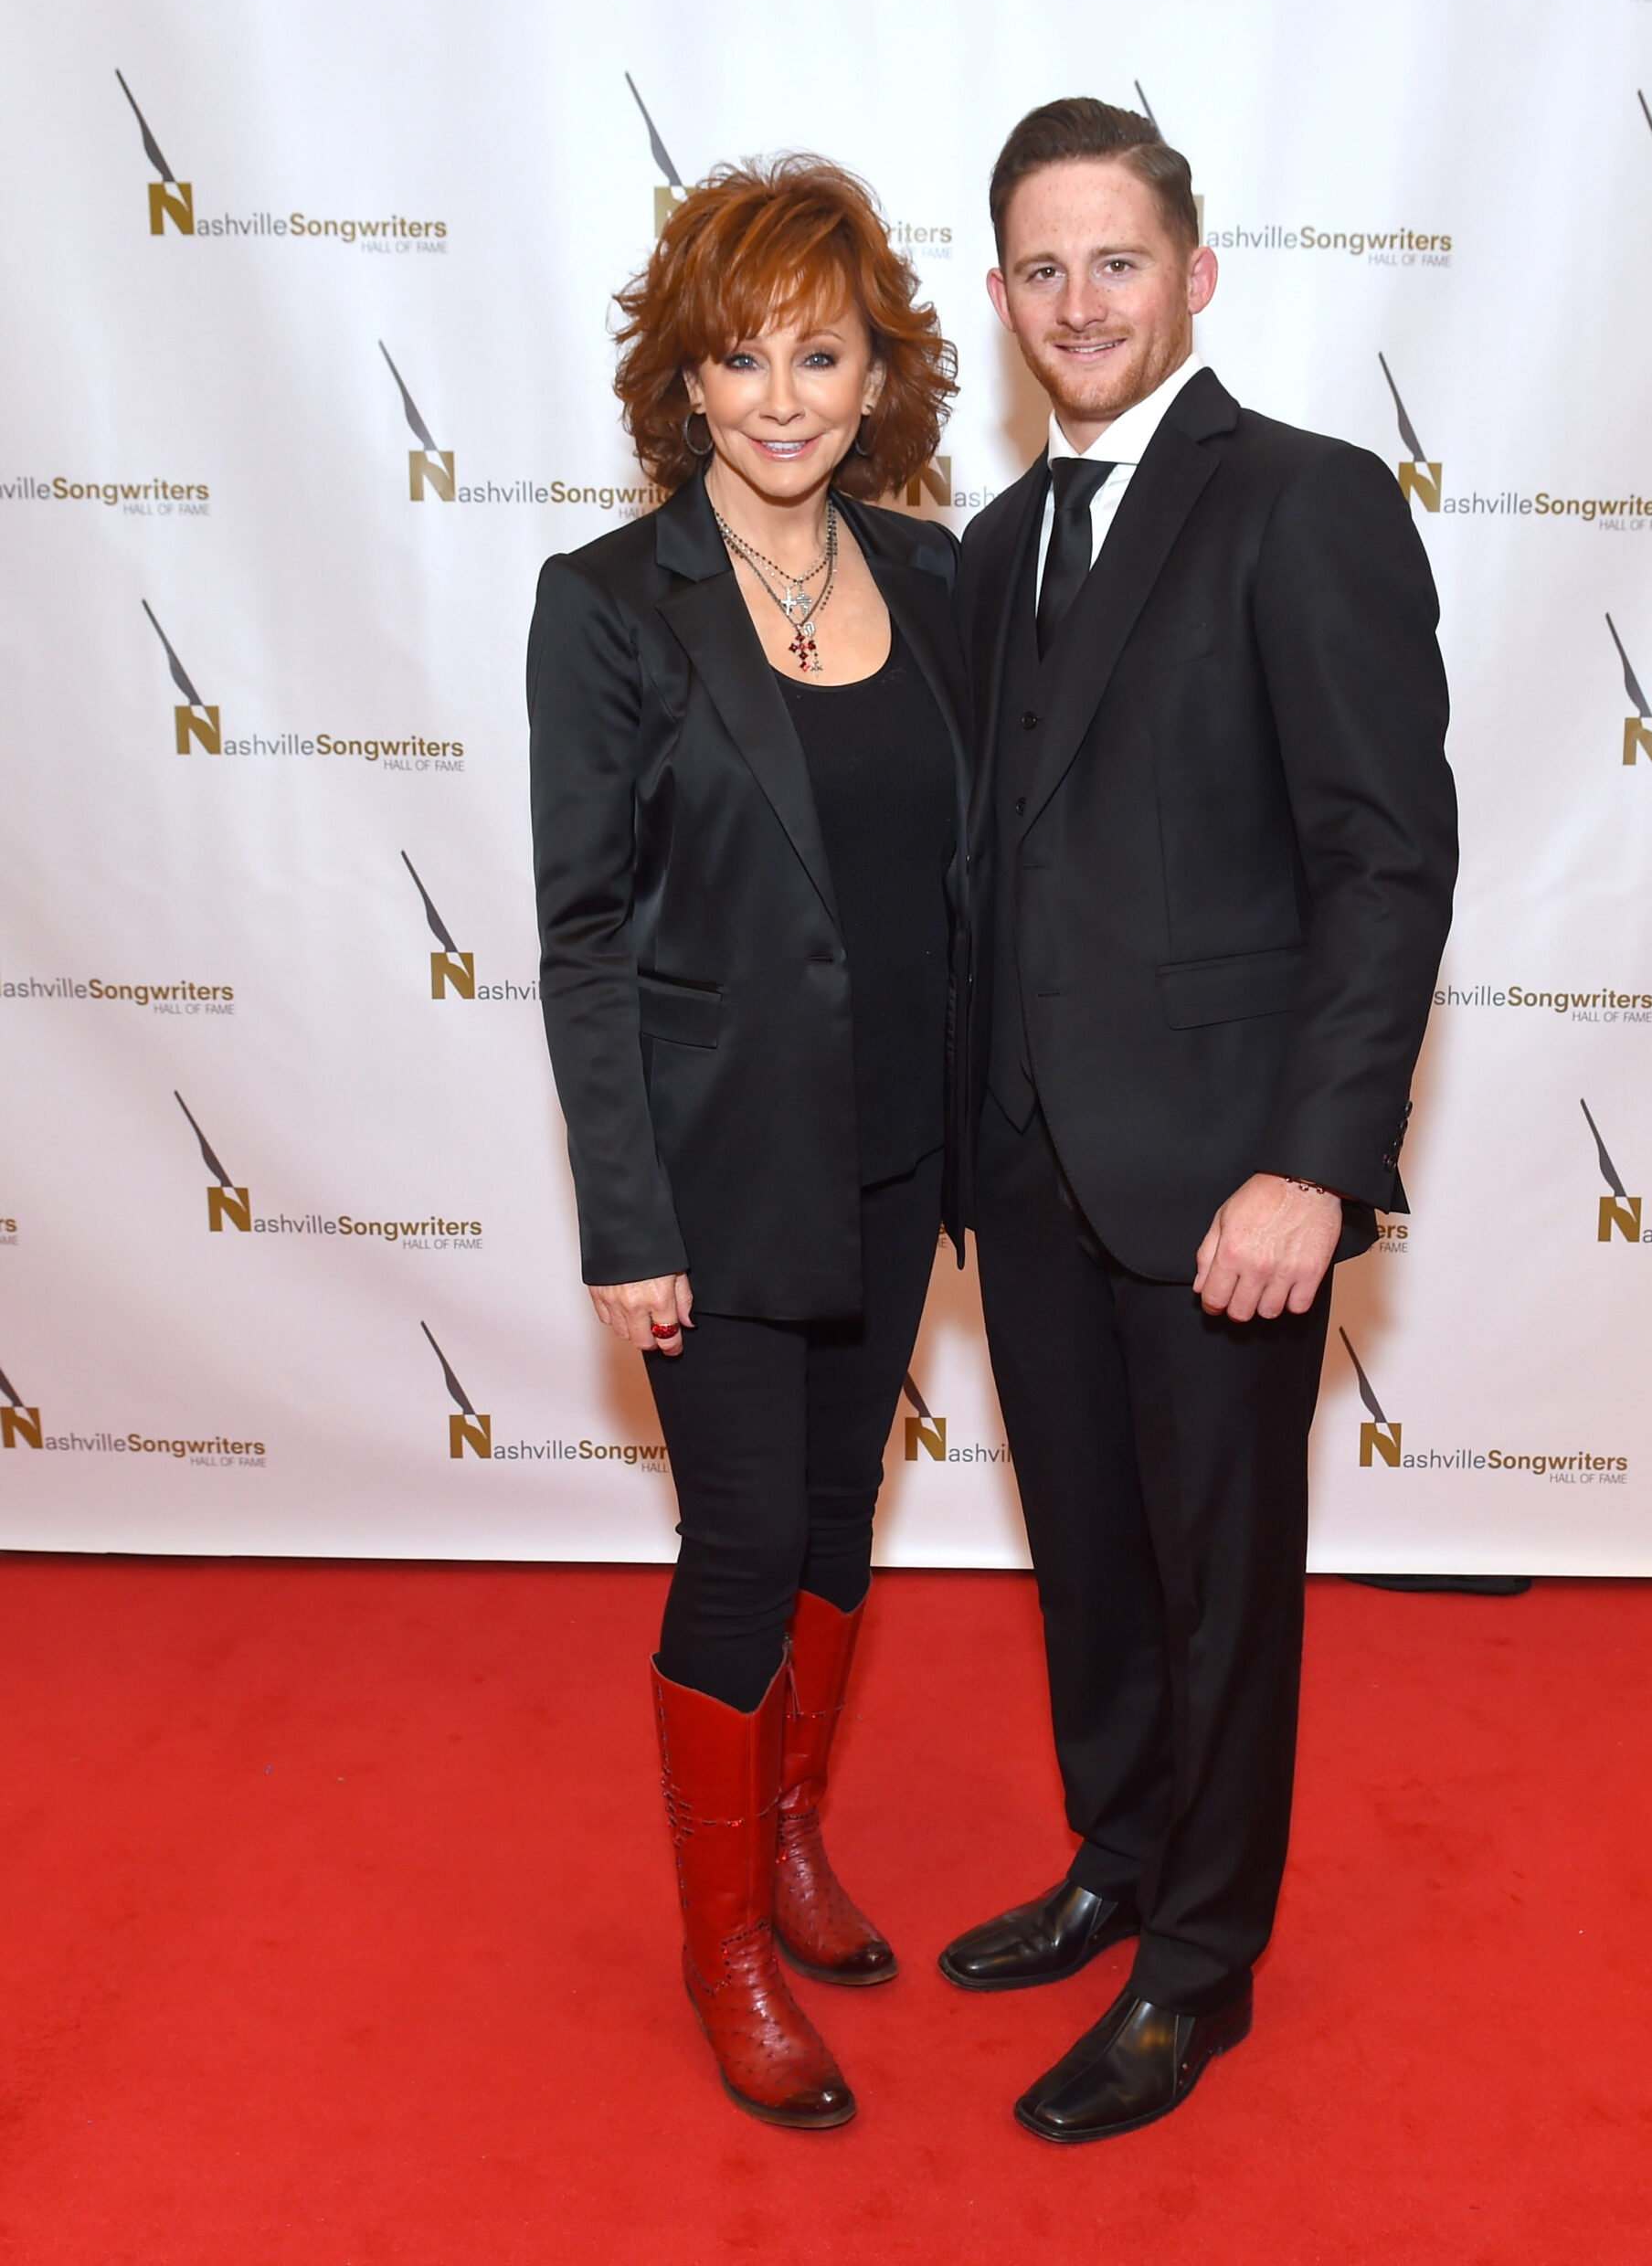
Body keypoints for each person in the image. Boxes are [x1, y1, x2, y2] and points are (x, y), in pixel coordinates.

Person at [941, 100, 1457, 2143]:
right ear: (1000, 299)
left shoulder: (1305, 504)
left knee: (1224, 1574)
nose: (1081, 301)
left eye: (1117, 260)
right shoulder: (991, 552)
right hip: (1031, 1165)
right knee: (1086, 1554)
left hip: (1229, 1176)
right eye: (1043, 269)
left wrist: (1312, 1159)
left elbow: (1385, 859)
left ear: (1195, 273)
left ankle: (1199, 1965)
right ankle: (1120, 1854)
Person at [527, 158, 965, 2131]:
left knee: (840, 1516)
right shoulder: (609, 606)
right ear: (681, 383)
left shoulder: (940, 579)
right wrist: (627, 1214)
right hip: (712, 1173)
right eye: (739, 355)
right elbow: (584, 929)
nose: (781, 393)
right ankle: (718, 1943)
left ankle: (791, 1833)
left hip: (899, 1153)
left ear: (875, 368)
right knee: (737, 1544)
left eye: (819, 349)